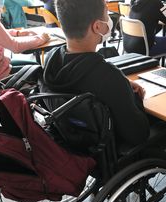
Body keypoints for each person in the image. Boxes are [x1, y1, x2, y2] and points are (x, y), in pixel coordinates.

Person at [42, 0, 149, 147]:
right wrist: (134, 97)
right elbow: (138, 134)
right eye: (106, 15)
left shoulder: (50, 59)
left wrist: (122, 85)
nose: (109, 19)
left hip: (68, 144)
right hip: (108, 156)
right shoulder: (108, 76)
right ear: (97, 26)